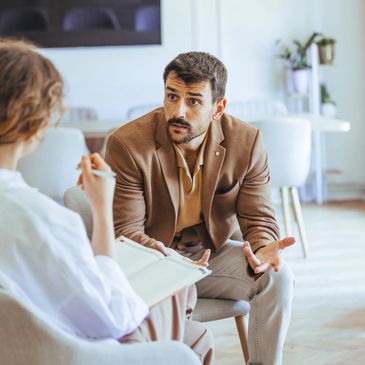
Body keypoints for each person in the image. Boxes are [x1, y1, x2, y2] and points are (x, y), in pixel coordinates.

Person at [0, 39, 214, 365]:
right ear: (34, 126)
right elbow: (115, 318)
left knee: (195, 333)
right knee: (178, 313)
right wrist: (102, 209)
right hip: (73, 354)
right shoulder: (42, 220)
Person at [105, 51, 296, 365]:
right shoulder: (127, 145)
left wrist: (262, 247)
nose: (177, 111)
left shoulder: (246, 143)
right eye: (171, 96)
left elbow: (258, 216)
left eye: (193, 101)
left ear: (218, 108)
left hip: (210, 257)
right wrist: (165, 258)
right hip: (154, 259)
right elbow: (126, 231)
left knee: (278, 276)